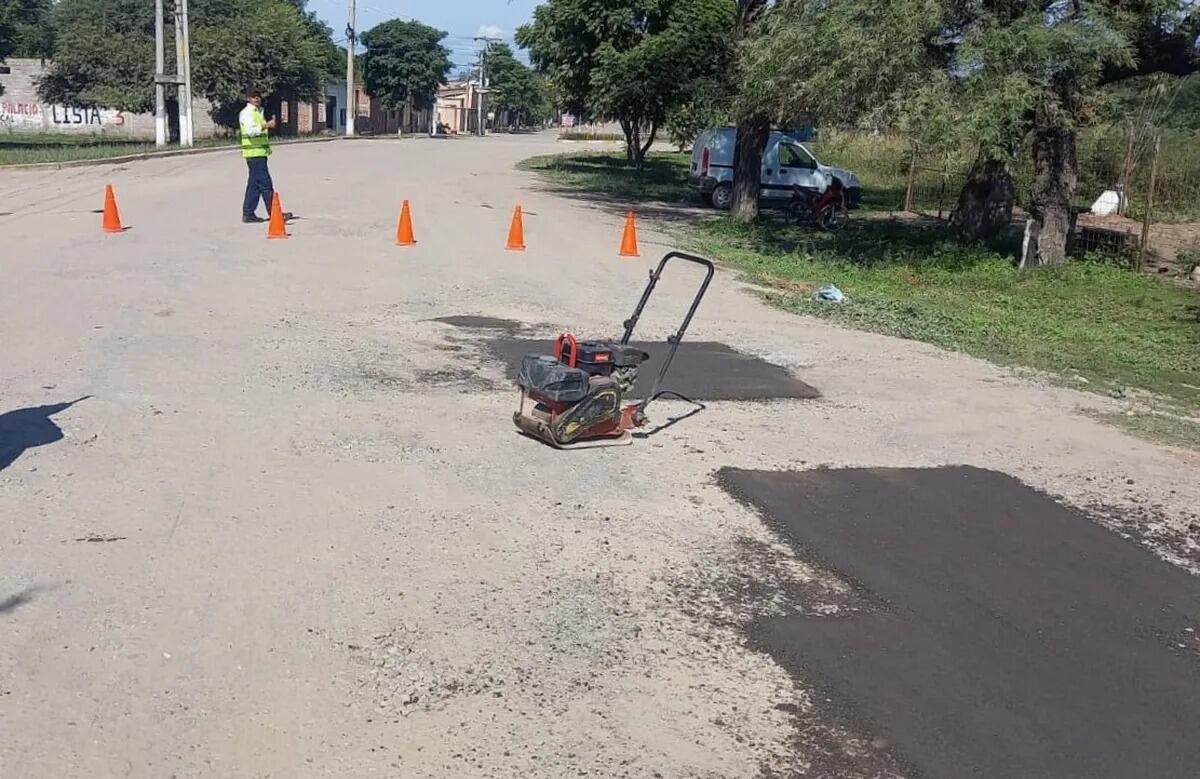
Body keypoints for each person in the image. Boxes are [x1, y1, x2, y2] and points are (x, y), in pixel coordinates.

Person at [238, 89, 282, 223]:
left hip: (259, 153)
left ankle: (248, 214)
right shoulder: (247, 113)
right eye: (253, 97)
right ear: (248, 98)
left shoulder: (258, 112)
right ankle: (274, 213)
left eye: (258, 97)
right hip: (253, 154)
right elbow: (251, 132)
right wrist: (266, 125)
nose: (256, 99)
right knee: (265, 183)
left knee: (254, 185)